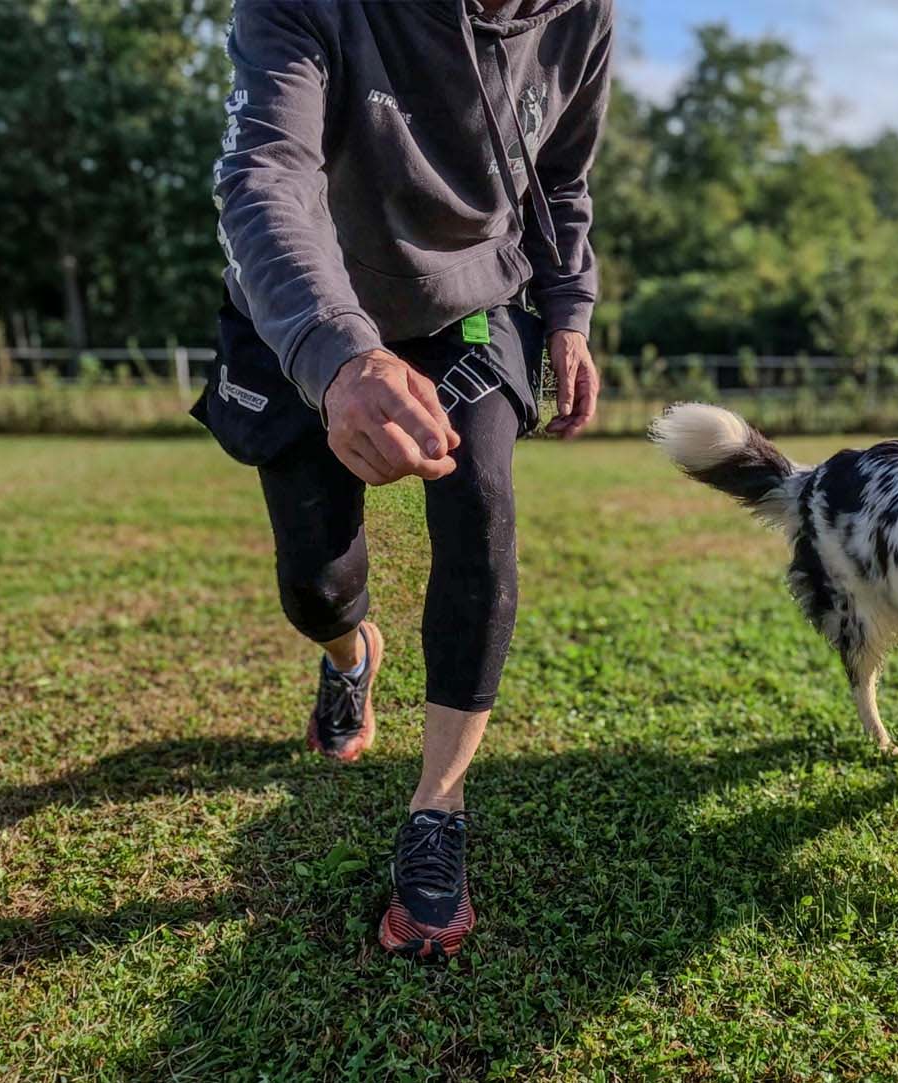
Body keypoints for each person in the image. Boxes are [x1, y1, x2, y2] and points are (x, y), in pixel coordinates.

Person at [197, 0, 611, 961]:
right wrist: (340, 355)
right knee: (317, 583)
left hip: (471, 298)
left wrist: (568, 309)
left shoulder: (584, 12)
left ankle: (438, 808)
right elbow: (265, 175)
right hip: (310, 303)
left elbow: (560, 173)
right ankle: (351, 657)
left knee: (481, 512)